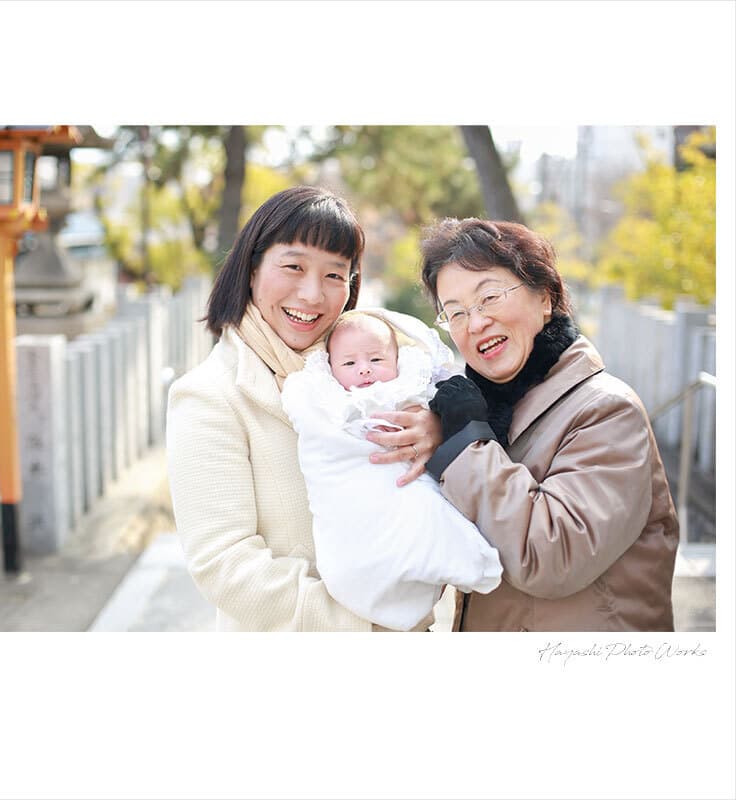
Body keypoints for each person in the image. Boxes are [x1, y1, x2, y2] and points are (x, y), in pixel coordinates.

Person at [373, 216, 678, 632]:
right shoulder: (488, 411)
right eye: (455, 312)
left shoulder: (607, 411)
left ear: (546, 298)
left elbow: (551, 556)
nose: (475, 323)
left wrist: (462, 445)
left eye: (490, 297)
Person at [165, 186, 443, 631]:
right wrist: (369, 627)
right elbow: (224, 563)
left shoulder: (374, 371)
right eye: (293, 266)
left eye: (336, 275)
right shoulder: (208, 396)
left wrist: (435, 432)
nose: (313, 294)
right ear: (252, 268)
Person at [280, 309, 502, 631]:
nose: (364, 370)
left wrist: (432, 421)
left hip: (403, 483)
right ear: (329, 368)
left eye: (376, 359)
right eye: (349, 363)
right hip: (351, 491)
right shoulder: (324, 398)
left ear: (397, 360)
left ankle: (465, 561)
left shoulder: (409, 390)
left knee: (424, 511)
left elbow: (437, 401)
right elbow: (318, 435)